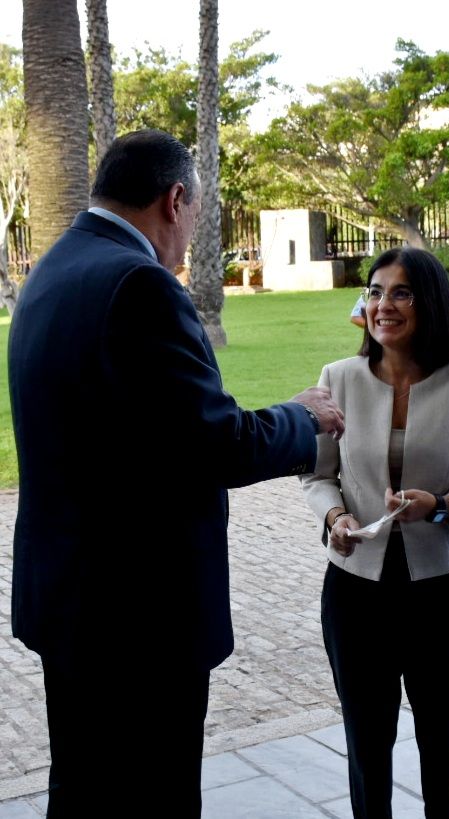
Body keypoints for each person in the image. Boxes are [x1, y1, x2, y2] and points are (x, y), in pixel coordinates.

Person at [7, 129, 344, 818]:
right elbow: (216, 444)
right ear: (176, 197)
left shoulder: (52, 268)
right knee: (151, 795)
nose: (192, 234)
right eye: (196, 214)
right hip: (139, 617)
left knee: (83, 787)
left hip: (70, 596)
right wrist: (302, 417)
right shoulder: (139, 283)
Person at [300, 247, 449, 819]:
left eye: (401, 292)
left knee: (443, 738)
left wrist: (439, 505)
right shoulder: (337, 378)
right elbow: (317, 475)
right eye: (375, 291)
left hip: (442, 589)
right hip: (356, 591)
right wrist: (336, 519)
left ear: (430, 301)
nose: (383, 305)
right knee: (366, 742)